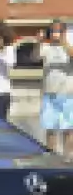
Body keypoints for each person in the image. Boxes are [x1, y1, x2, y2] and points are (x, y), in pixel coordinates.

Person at [39, 20, 73, 152]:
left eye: (58, 30)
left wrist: (63, 41)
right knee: (50, 128)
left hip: (67, 93)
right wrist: (38, 42)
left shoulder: (68, 46)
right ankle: (51, 155)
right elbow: (35, 56)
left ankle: (68, 157)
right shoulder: (46, 48)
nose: (55, 33)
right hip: (49, 93)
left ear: (63, 32)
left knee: (68, 129)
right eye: (53, 30)